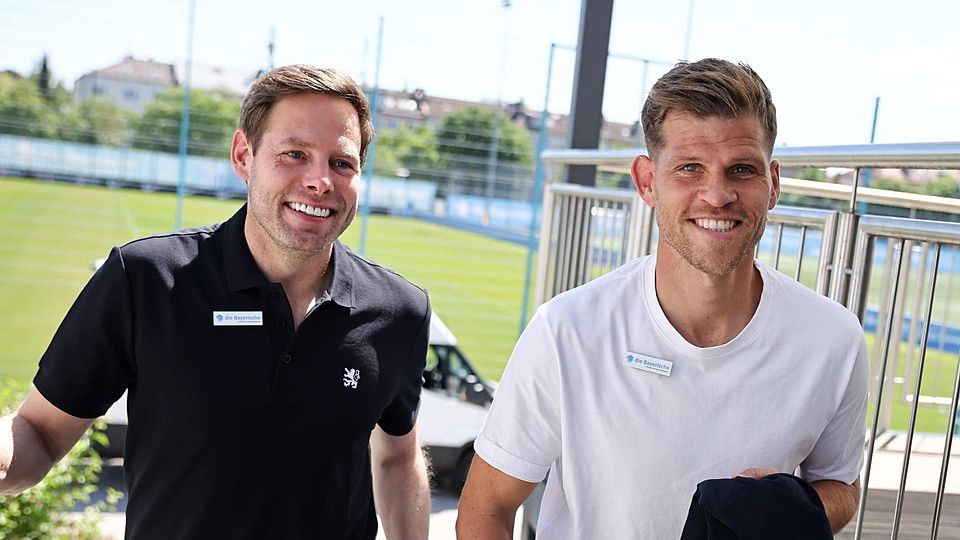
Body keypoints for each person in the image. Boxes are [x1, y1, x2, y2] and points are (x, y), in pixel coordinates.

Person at [0, 65, 431, 539]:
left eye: (342, 163)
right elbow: (39, 432)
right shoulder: (145, 278)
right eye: (295, 153)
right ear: (244, 155)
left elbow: (397, 456)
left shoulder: (400, 311)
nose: (319, 180)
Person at [457, 58, 868, 538]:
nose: (717, 195)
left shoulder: (833, 339)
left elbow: (840, 484)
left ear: (773, 183)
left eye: (741, 170)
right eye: (690, 168)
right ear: (647, 181)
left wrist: (789, 508)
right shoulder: (566, 330)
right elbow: (485, 508)